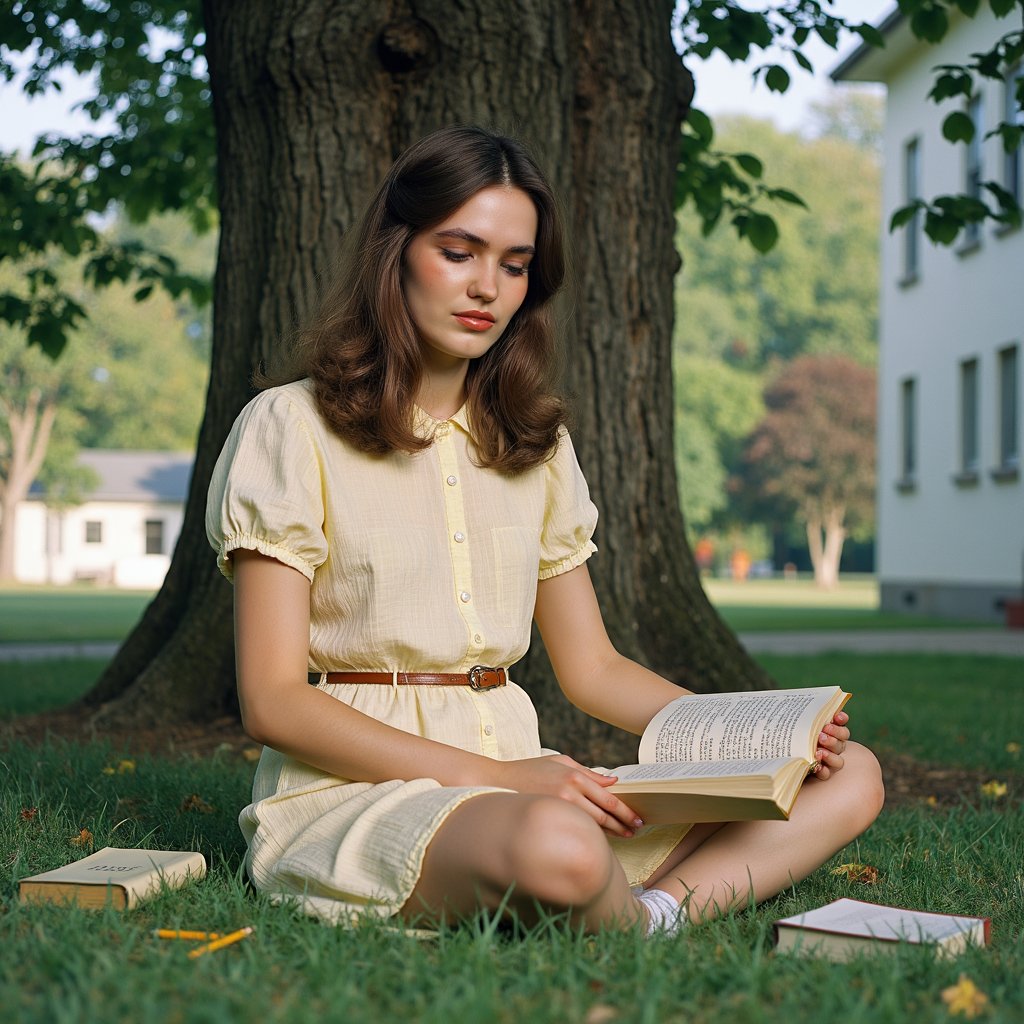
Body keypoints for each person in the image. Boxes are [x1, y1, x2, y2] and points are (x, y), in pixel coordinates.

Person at [206, 124, 884, 935]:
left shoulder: (538, 444)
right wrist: (506, 778)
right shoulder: (290, 425)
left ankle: (653, 912)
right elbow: (273, 702)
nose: (486, 286)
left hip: (528, 788)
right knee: (559, 841)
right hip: (358, 794)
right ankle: (628, 911)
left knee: (853, 777)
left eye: (515, 265)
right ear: (397, 251)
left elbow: (593, 669)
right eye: (459, 252)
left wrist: (758, 739)